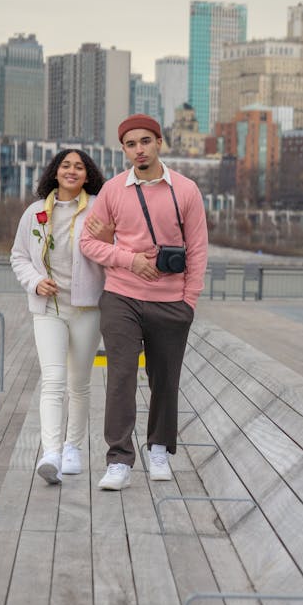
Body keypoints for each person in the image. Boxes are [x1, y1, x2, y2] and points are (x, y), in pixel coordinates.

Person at [80, 114, 208, 490]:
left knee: (164, 380)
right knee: (120, 378)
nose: (139, 150)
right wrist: (129, 259)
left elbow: (198, 249)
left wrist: (189, 302)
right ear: (123, 149)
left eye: (145, 142)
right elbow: (89, 243)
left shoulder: (185, 190)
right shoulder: (113, 191)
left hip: (172, 302)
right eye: (130, 144)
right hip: (121, 297)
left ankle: (159, 449)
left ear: (159, 143)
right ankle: (118, 459)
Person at [10, 149, 112, 484]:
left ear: (88, 175)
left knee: (79, 384)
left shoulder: (99, 208)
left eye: (79, 167)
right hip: (48, 309)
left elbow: (114, 247)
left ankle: (73, 449)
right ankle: (51, 452)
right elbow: (19, 256)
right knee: (52, 380)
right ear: (55, 172)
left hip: (87, 309)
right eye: (65, 165)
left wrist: (107, 235)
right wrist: (35, 281)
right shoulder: (35, 213)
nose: (71, 171)